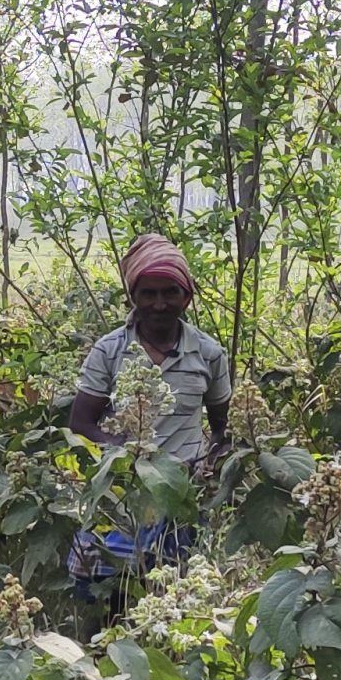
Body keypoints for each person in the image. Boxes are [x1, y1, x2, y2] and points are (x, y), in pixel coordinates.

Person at [64, 232, 232, 600]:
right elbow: (81, 424)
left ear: (187, 297)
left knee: (175, 597)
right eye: (148, 294)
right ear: (133, 297)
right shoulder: (110, 351)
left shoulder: (208, 354)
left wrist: (208, 470)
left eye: (170, 292)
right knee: (101, 592)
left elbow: (222, 429)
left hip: (180, 498)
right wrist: (127, 453)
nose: (159, 304)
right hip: (121, 494)